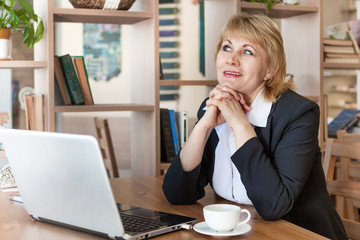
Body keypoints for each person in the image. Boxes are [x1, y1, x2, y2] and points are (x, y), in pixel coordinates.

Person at [162, 13, 347, 240]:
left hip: (300, 234)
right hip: (243, 231)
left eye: (247, 51)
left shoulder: (299, 114)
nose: (231, 59)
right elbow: (177, 194)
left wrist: (239, 123)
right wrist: (204, 126)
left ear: (269, 70)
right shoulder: (213, 105)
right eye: (227, 47)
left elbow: (274, 205)